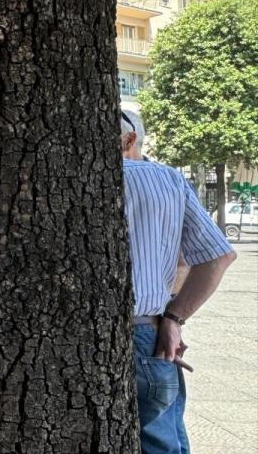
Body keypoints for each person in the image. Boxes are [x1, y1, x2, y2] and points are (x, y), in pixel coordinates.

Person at [120, 109, 236, 454]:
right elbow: (219, 255)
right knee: (165, 441)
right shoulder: (166, 179)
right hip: (147, 333)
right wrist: (173, 319)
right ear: (130, 140)